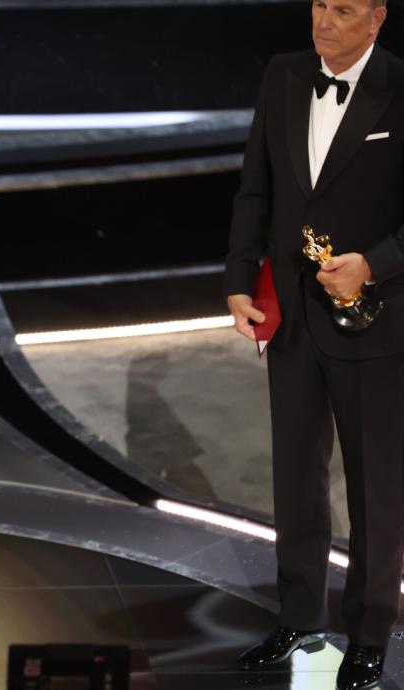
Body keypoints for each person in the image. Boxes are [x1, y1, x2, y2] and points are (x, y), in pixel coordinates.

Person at [225, 1, 404, 687]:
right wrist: (241, 279)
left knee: (376, 488)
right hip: (294, 315)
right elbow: (256, 187)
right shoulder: (283, 75)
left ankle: (368, 634)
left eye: (345, 9)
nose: (325, 20)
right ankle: (299, 617)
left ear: (377, 18)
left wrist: (375, 263)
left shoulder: (400, 87)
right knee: (296, 477)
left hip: (375, 318)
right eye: (319, 4)